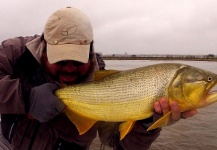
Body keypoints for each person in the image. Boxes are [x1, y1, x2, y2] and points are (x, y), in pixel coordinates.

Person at [0, 7, 197, 150]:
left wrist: (146, 125)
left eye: (77, 61)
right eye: (60, 60)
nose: (69, 69)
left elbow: (118, 144)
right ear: (44, 47)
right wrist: (25, 97)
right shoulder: (14, 52)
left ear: (90, 51)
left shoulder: (104, 82)